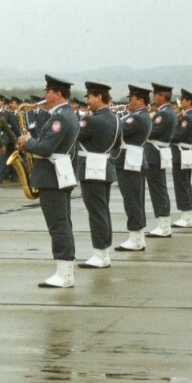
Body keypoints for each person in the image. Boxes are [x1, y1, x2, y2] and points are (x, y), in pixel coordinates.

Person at [17, 75, 79, 288]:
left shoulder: (60, 118)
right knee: (61, 223)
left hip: (52, 176)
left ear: (58, 93)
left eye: (48, 91)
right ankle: (64, 271)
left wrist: (28, 141)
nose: (45, 95)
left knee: (58, 225)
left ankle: (64, 273)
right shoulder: (63, 114)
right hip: (56, 174)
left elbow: (45, 148)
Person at [75, 82, 120, 269]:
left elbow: (75, 135)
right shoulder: (115, 119)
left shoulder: (91, 120)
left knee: (96, 212)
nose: (87, 101)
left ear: (99, 97)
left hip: (92, 168)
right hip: (105, 166)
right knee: (102, 210)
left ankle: (100, 253)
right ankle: (104, 253)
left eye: (89, 97)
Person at [113, 85, 154, 253]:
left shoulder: (137, 118)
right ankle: (138, 236)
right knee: (134, 200)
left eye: (132, 99)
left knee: (132, 201)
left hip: (129, 161)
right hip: (131, 160)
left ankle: (135, 237)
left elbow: (117, 130)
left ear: (141, 101)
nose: (128, 102)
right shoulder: (138, 116)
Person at [141, 83, 176, 237]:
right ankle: (164, 224)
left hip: (154, 154)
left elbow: (151, 132)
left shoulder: (163, 114)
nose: (154, 98)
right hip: (157, 153)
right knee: (159, 189)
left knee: (158, 190)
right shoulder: (167, 112)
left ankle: (163, 225)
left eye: (155, 95)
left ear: (162, 96)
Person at [171, 90, 192, 228]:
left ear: (188, 101)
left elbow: (177, 136)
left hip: (181, 153)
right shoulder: (191, 116)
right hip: (186, 153)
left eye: (182, 100)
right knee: (185, 184)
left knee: (182, 185)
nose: (180, 102)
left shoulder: (188, 118)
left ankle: (186, 216)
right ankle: (187, 215)